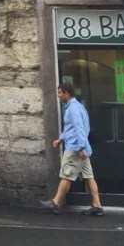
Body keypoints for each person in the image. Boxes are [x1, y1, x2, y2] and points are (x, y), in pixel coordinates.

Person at [42, 83, 104, 216]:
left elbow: (79, 128)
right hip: (81, 147)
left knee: (66, 176)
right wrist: (61, 138)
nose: (58, 96)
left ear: (66, 93)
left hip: (75, 149)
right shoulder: (78, 106)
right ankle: (97, 206)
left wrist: (81, 147)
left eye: (59, 93)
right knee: (89, 177)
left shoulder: (73, 109)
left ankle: (56, 203)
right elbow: (71, 128)